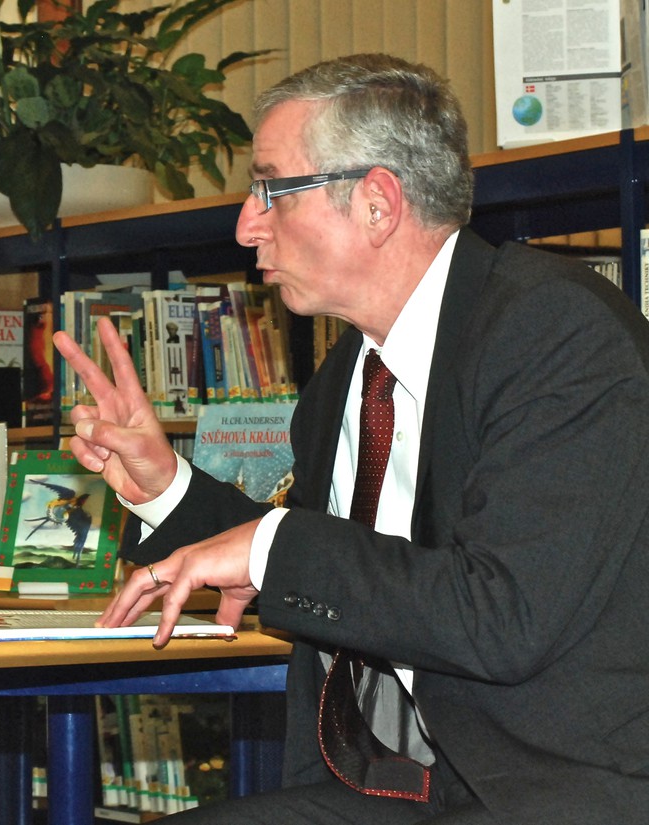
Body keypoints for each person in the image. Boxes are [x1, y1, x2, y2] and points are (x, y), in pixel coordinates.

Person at [54, 54, 649, 824]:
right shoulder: (348, 375)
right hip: (400, 787)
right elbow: (328, 569)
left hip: (557, 788)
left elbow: (503, 618)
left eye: (271, 189)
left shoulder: (555, 334)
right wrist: (167, 485)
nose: (245, 225)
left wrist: (271, 545)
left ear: (376, 203)